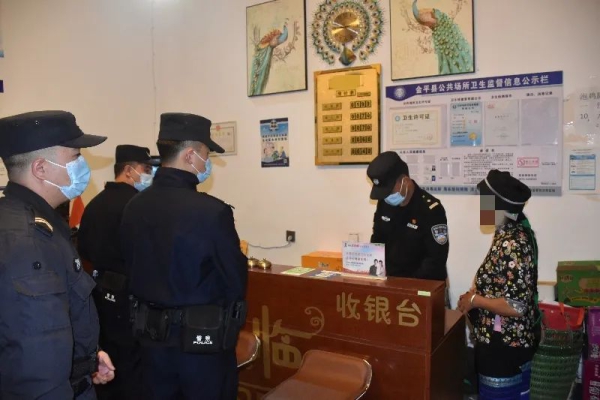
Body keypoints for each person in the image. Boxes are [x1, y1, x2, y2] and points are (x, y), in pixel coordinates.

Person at [120, 113, 248, 400]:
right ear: (190, 155)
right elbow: (234, 280)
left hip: (150, 339)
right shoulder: (211, 211)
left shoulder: (134, 205)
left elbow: (129, 263)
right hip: (201, 343)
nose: (206, 163)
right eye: (206, 155)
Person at [0, 110, 115, 398]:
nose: (82, 165)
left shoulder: (31, 220)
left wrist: (87, 356)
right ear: (41, 168)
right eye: (75, 157)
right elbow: (38, 365)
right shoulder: (29, 241)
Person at [77, 144, 159, 400]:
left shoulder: (94, 204)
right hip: (133, 300)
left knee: (107, 365)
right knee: (134, 371)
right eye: (146, 169)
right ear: (128, 170)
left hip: (100, 297)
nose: (150, 175)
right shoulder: (138, 206)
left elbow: (83, 250)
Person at [457, 170, 539, 399]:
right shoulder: (505, 233)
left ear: (499, 206)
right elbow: (502, 282)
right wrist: (476, 293)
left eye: (485, 204)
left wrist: (475, 300)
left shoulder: (513, 243)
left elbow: (517, 305)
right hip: (498, 342)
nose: (480, 210)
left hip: (505, 346)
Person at [367, 151, 449, 281]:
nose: (387, 197)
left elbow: (435, 259)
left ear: (405, 181)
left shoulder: (431, 209)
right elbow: (377, 239)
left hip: (422, 283)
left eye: (389, 191)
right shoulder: (385, 203)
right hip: (390, 280)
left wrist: (407, 284)